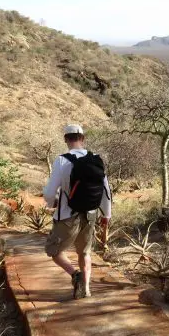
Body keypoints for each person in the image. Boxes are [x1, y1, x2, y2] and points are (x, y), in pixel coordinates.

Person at [42, 124, 112, 299]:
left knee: (54, 251)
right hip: (91, 213)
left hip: (67, 214)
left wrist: (52, 202)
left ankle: (75, 274)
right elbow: (106, 190)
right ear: (83, 138)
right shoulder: (96, 158)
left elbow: (50, 192)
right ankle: (86, 289)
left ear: (66, 139)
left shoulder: (62, 160)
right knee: (85, 252)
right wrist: (106, 214)